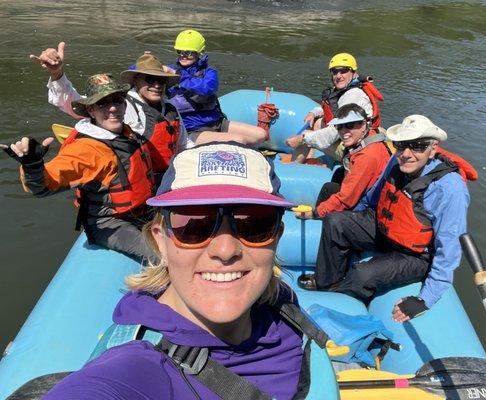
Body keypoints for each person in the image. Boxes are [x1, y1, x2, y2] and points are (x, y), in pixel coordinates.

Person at [40, 142, 336, 399]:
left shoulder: (279, 305)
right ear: (160, 241)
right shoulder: (135, 367)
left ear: (277, 236)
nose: (225, 250)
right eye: (194, 225)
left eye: (254, 224)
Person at [298, 115, 470, 322]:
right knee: (336, 222)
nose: (406, 154)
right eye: (401, 145)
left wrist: (425, 299)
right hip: (384, 229)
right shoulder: (395, 162)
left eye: (417, 146)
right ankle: (327, 283)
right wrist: (352, 218)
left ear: (433, 149)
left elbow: (449, 250)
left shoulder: (450, 189)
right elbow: (372, 198)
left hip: (415, 255)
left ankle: (338, 306)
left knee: (363, 275)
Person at [1, 74, 158, 260]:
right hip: (112, 223)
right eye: (103, 103)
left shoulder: (127, 132)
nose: (113, 108)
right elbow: (43, 187)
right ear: (91, 110)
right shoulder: (86, 150)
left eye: (118, 100)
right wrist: (33, 165)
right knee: (163, 256)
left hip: (142, 211)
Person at [31, 42, 187, 169]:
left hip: (166, 180)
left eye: (161, 80)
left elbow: (184, 144)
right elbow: (73, 102)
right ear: (136, 81)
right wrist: (57, 73)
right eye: (150, 80)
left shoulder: (171, 108)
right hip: (134, 179)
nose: (157, 85)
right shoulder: (120, 104)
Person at [164, 29, 271, 146]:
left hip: (216, 122)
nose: (183, 56)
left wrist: (179, 76)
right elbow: (144, 71)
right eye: (180, 52)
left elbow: (207, 88)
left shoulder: (209, 72)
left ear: (199, 53)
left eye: (188, 52)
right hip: (190, 129)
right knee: (238, 140)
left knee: (261, 135)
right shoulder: (169, 71)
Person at [294, 103, 391, 220]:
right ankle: (320, 223)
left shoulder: (367, 156)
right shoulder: (368, 138)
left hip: (368, 213)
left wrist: (315, 213)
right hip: (361, 198)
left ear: (364, 124)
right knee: (329, 188)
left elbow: (346, 200)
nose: (344, 131)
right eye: (339, 127)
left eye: (349, 125)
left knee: (332, 219)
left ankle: (321, 226)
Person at [285, 53, 384, 163]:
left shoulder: (354, 95)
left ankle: (294, 166)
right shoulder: (347, 89)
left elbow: (334, 131)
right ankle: (306, 159)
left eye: (343, 71)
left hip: (356, 148)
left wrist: (302, 139)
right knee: (316, 123)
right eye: (335, 72)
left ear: (353, 73)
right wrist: (314, 112)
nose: (338, 75)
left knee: (307, 135)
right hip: (354, 137)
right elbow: (334, 109)